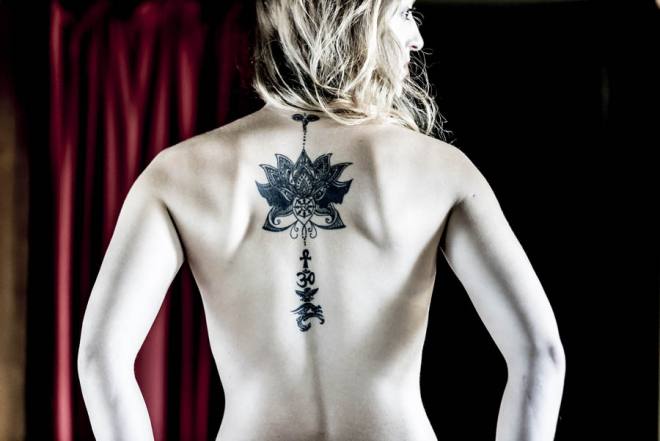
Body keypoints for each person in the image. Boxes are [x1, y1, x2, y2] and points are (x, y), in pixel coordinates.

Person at [77, 0, 566, 440]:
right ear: (356, 21)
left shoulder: (176, 174)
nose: (417, 38)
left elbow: (100, 359)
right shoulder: (442, 170)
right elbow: (541, 353)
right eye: (404, 13)